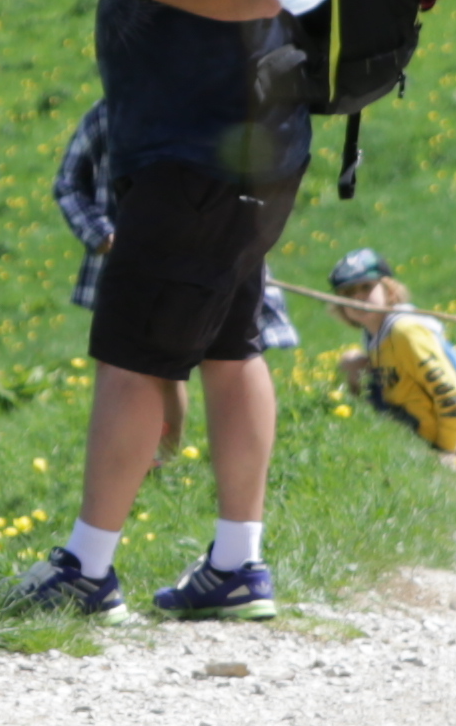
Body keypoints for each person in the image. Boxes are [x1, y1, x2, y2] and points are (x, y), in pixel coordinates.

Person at [6, 0, 313, 622]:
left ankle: (88, 570)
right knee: (228, 346)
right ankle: (238, 565)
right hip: (203, 145)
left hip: (209, 144)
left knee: (134, 353)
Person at [54, 102, 290, 521]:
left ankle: (175, 464)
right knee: (141, 369)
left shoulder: (219, 104)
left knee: (224, 361)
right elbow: (69, 184)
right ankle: (151, 465)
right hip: (130, 266)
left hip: (214, 262)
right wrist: (101, 233)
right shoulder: (109, 113)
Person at [318, 246, 456, 458]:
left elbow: (447, 389)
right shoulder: (374, 334)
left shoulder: (404, 331)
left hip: (436, 433)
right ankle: (368, 432)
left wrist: (448, 446)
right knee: (351, 363)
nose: (358, 298)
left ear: (389, 290)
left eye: (366, 287)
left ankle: (422, 443)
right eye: (347, 293)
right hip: (408, 420)